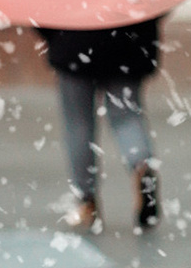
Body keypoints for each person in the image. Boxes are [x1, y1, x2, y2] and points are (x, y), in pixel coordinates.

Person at [42, 16, 162, 232]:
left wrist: (52, 33)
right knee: (127, 115)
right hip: (129, 38)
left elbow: (40, 4)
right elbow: (160, 0)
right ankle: (141, 164)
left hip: (73, 37)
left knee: (78, 124)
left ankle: (86, 200)